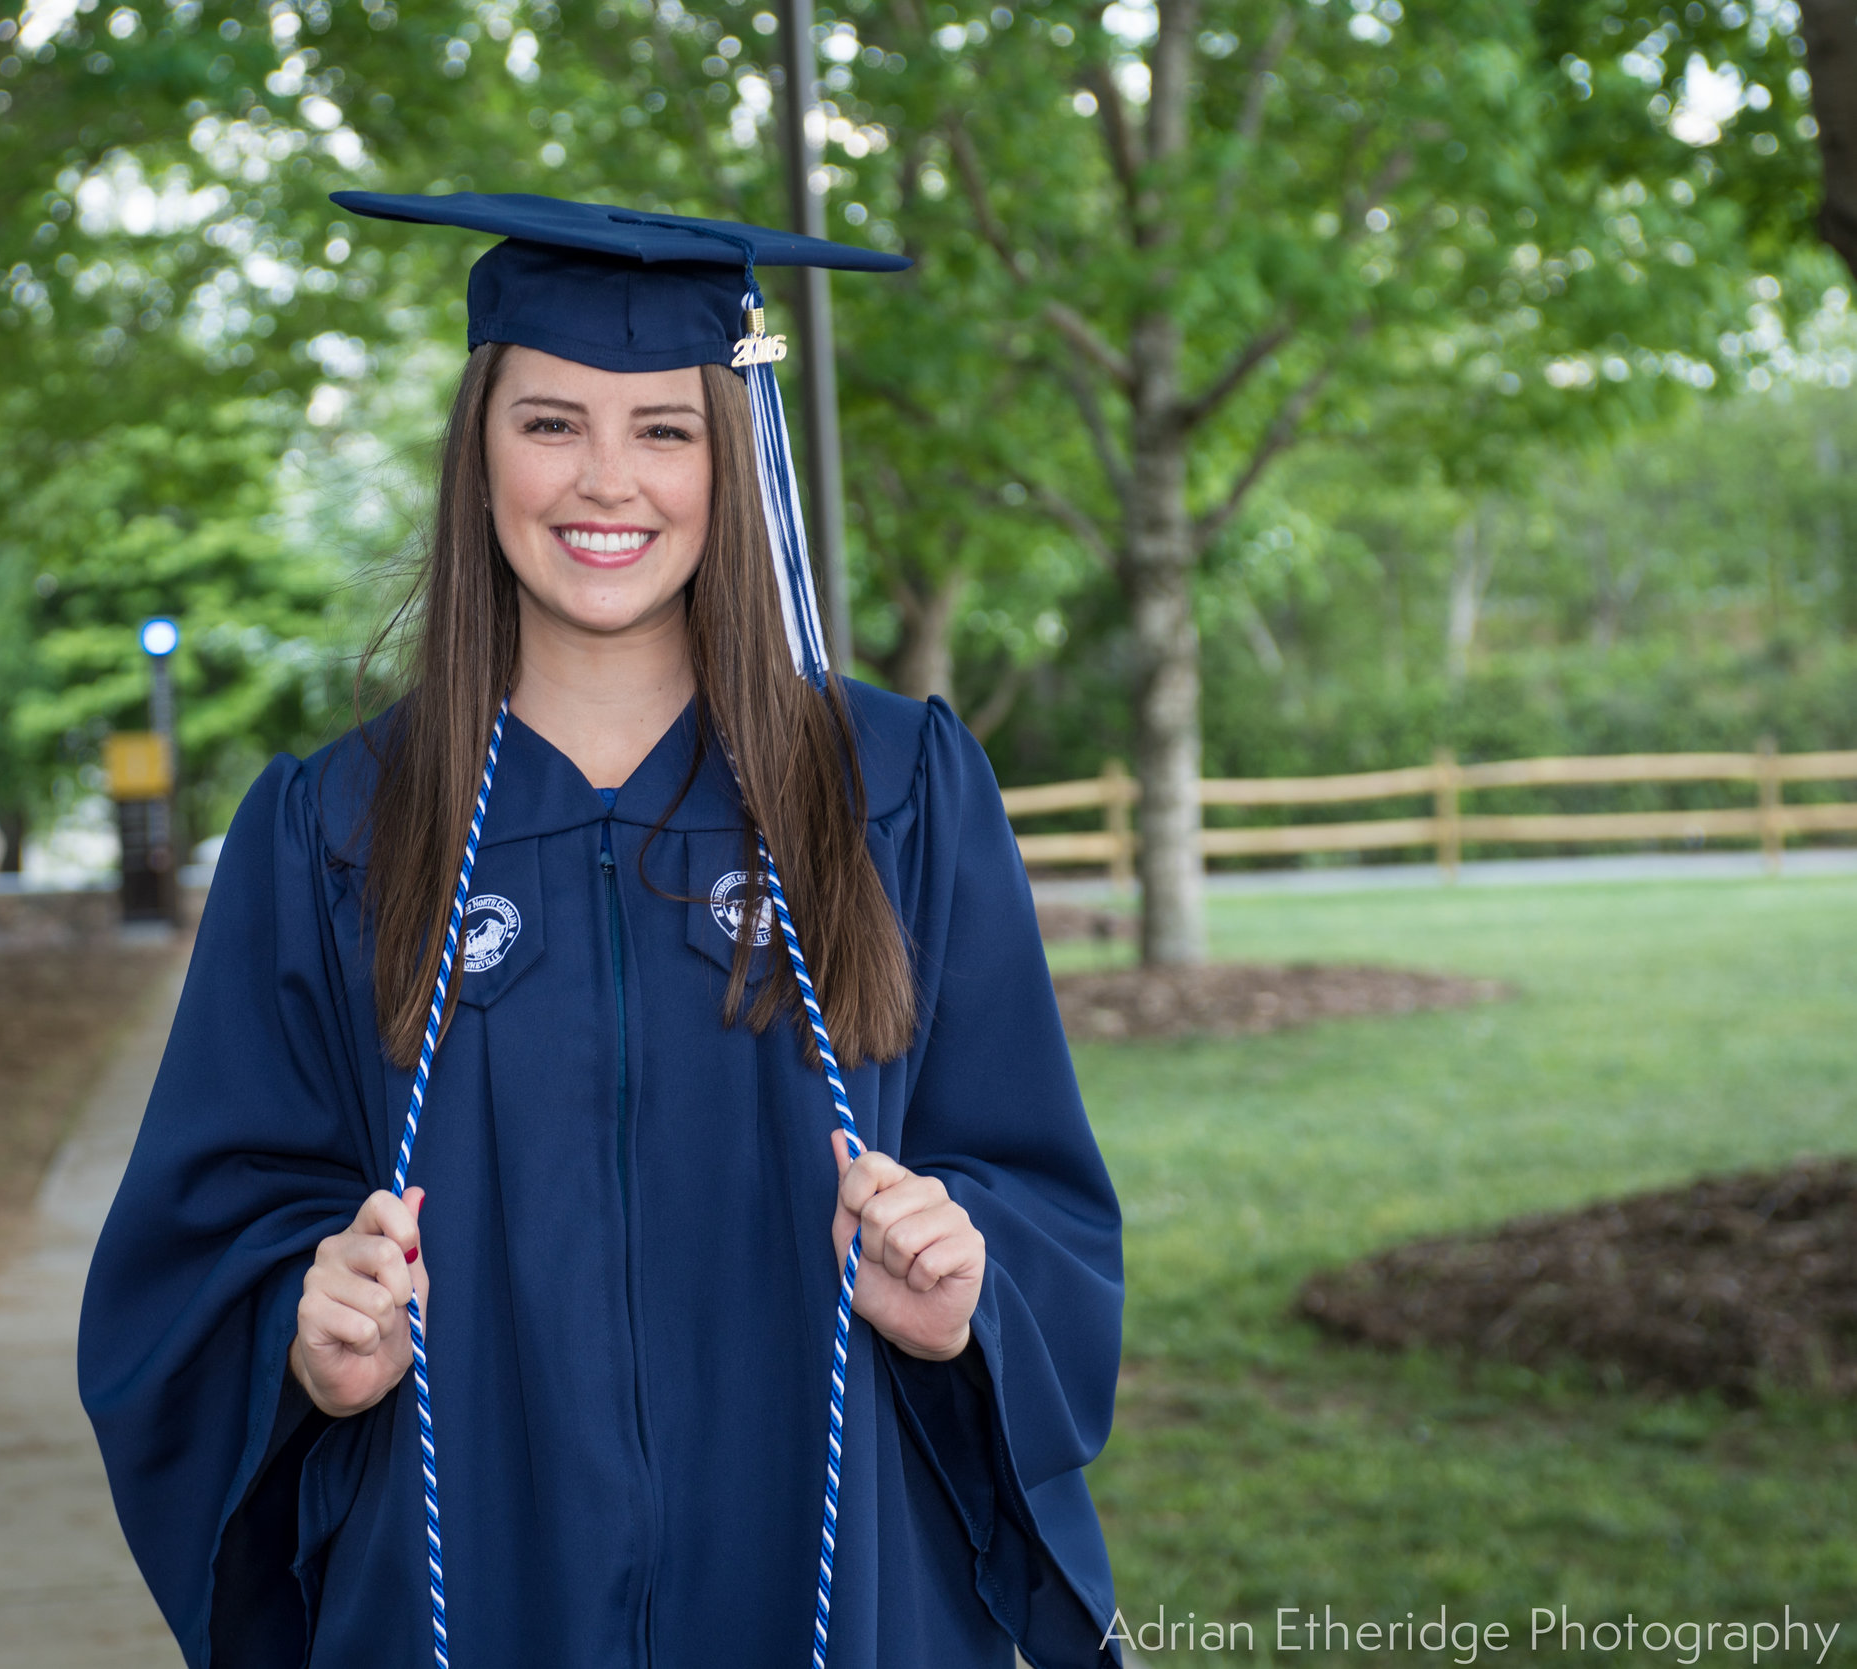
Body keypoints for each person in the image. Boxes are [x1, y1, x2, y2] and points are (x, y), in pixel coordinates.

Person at [78, 191, 1125, 1669]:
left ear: (732, 456)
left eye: (665, 429)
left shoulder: (893, 793)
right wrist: (302, 1339)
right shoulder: (335, 830)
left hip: (835, 1584)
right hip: (470, 1593)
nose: (607, 480)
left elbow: (1037, 1197)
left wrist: (968, 1301)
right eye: (552, 422)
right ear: (479, 449)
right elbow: (199, 1251)